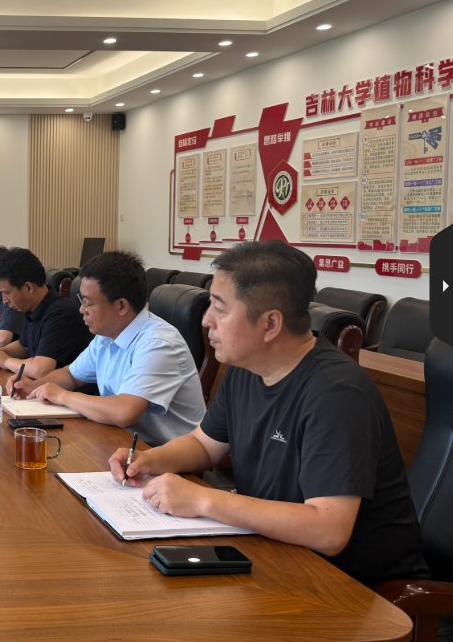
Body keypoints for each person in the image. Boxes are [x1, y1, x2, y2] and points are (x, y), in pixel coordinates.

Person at [108, 240, 428, 588]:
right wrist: (148, 460)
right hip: (274, 556)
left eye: (219, 308)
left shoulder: (336, 393)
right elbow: (204, 445)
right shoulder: (247, 368)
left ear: (270, 323)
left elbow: (329, 530)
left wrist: (202, 499)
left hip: (353, 589)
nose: (206, 320)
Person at [11, 251, 205, 446]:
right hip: (121, 440)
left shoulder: (158, 343)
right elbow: (71, 375)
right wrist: (36, 387)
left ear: (121, 306)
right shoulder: (106, 335)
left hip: (165, 454)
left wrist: (62, 395)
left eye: (87, 303)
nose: (81, 310)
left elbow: (124, 412)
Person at [0, 247, 90, 379]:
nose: (4, 301)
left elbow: (40, 370)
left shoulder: (61, 312)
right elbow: (24, 347)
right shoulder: (32, 307)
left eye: (6, 293)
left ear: (28, 287)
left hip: (66, 389)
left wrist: (5, 361)